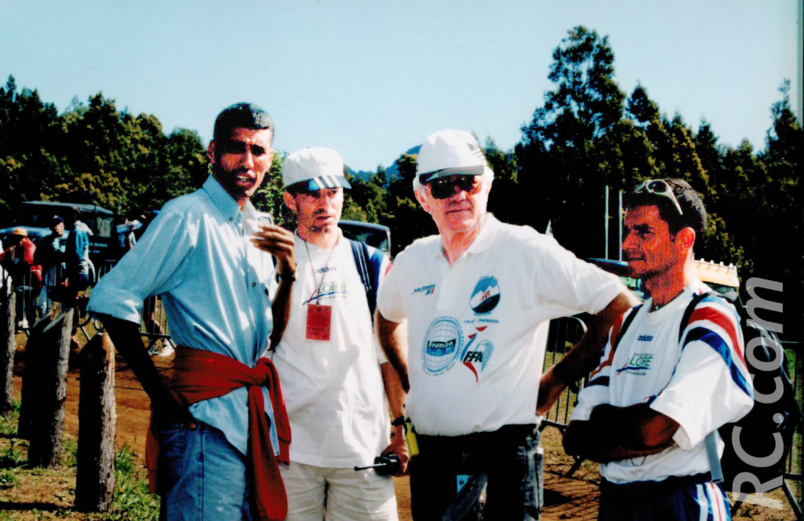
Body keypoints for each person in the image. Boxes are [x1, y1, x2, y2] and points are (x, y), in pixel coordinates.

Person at [376, 129, 638, 520]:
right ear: (422, 196)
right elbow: (386, 319)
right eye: (443, 185)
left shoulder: (524, 250)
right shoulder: (413, 260)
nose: (458, 194)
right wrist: (411, 378)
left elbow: (619, 306)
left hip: (505, 460)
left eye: (468, 181)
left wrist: (555, 382)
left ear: (488, 183)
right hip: (431, 459)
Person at [87, 102, 297, 521]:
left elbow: (270, 335)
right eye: (237, 148)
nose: (247, 161)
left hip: (249, 416)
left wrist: (288, 276)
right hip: (204, 418)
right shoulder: (186, 216)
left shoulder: (258, 226)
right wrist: (160, 396)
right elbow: (113, 298)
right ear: (213, 151)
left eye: (258, 151)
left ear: (271, 159)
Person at [563, 179, 754, 520]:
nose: (626, 244)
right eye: (627, 231)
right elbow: (576, 438)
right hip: (615, 503)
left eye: (643, 232)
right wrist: (644, 428)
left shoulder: (711, 316)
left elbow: (653, 429)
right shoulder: (625, 323)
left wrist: (607, 419)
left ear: (684, 240)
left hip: (682, 503)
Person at [271, 147, 406, 521]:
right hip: (289, 452)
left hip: (363, 450)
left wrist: (399, 428)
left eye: (334, 192)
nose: (325, 204)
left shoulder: (374, 265)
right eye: (313, 193)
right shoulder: (269, 262)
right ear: (289, 198)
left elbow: (388, 355)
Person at [0, 228, 42, 329]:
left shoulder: (30, 246)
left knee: (29, 301)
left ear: (25, 238)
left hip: (33, 279)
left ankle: (31, 322)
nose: (18, 240)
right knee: (19, 298)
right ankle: (20, 320)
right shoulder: (13, 249)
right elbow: (2, 257)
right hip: (20, 280)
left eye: (20, 238)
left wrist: (13, 268)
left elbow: (27, 262)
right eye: (15, 238)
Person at [34, 215, 66, 318]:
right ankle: (46, 327)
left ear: (63, 226)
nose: (55, 227)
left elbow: (62, 255)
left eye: (58, 224)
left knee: (66, 310)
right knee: (41, 306)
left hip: (64, 281)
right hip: (49, 280)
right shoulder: (45, 240)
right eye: (53, 224)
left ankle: (66, 331)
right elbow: (37, 257)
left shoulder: (68, 240)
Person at [64, 207, 92, 303]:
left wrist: (68, 272)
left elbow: (76, 254)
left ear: (74, 216)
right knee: (72, 299)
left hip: (78, 271)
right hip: (79, 271)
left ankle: (83, 305)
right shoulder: (78, 231)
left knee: (71, 300)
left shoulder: (77, 232)